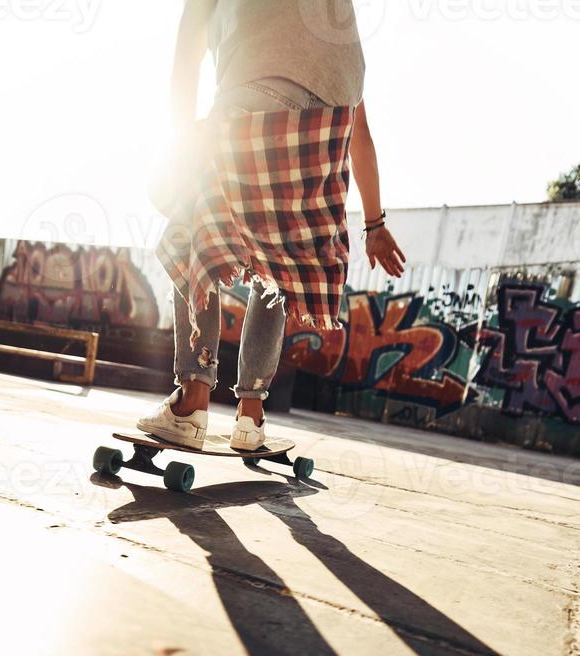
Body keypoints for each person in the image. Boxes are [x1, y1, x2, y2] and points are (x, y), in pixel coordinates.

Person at [140, 0, 405, 451]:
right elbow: (360, 132)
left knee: (190, 231)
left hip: (256, 88)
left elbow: (187, 56)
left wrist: (186, 153)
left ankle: (192, 400)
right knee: (281, 259)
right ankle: (250, 416)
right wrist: (375, 223)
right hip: (333, 113)